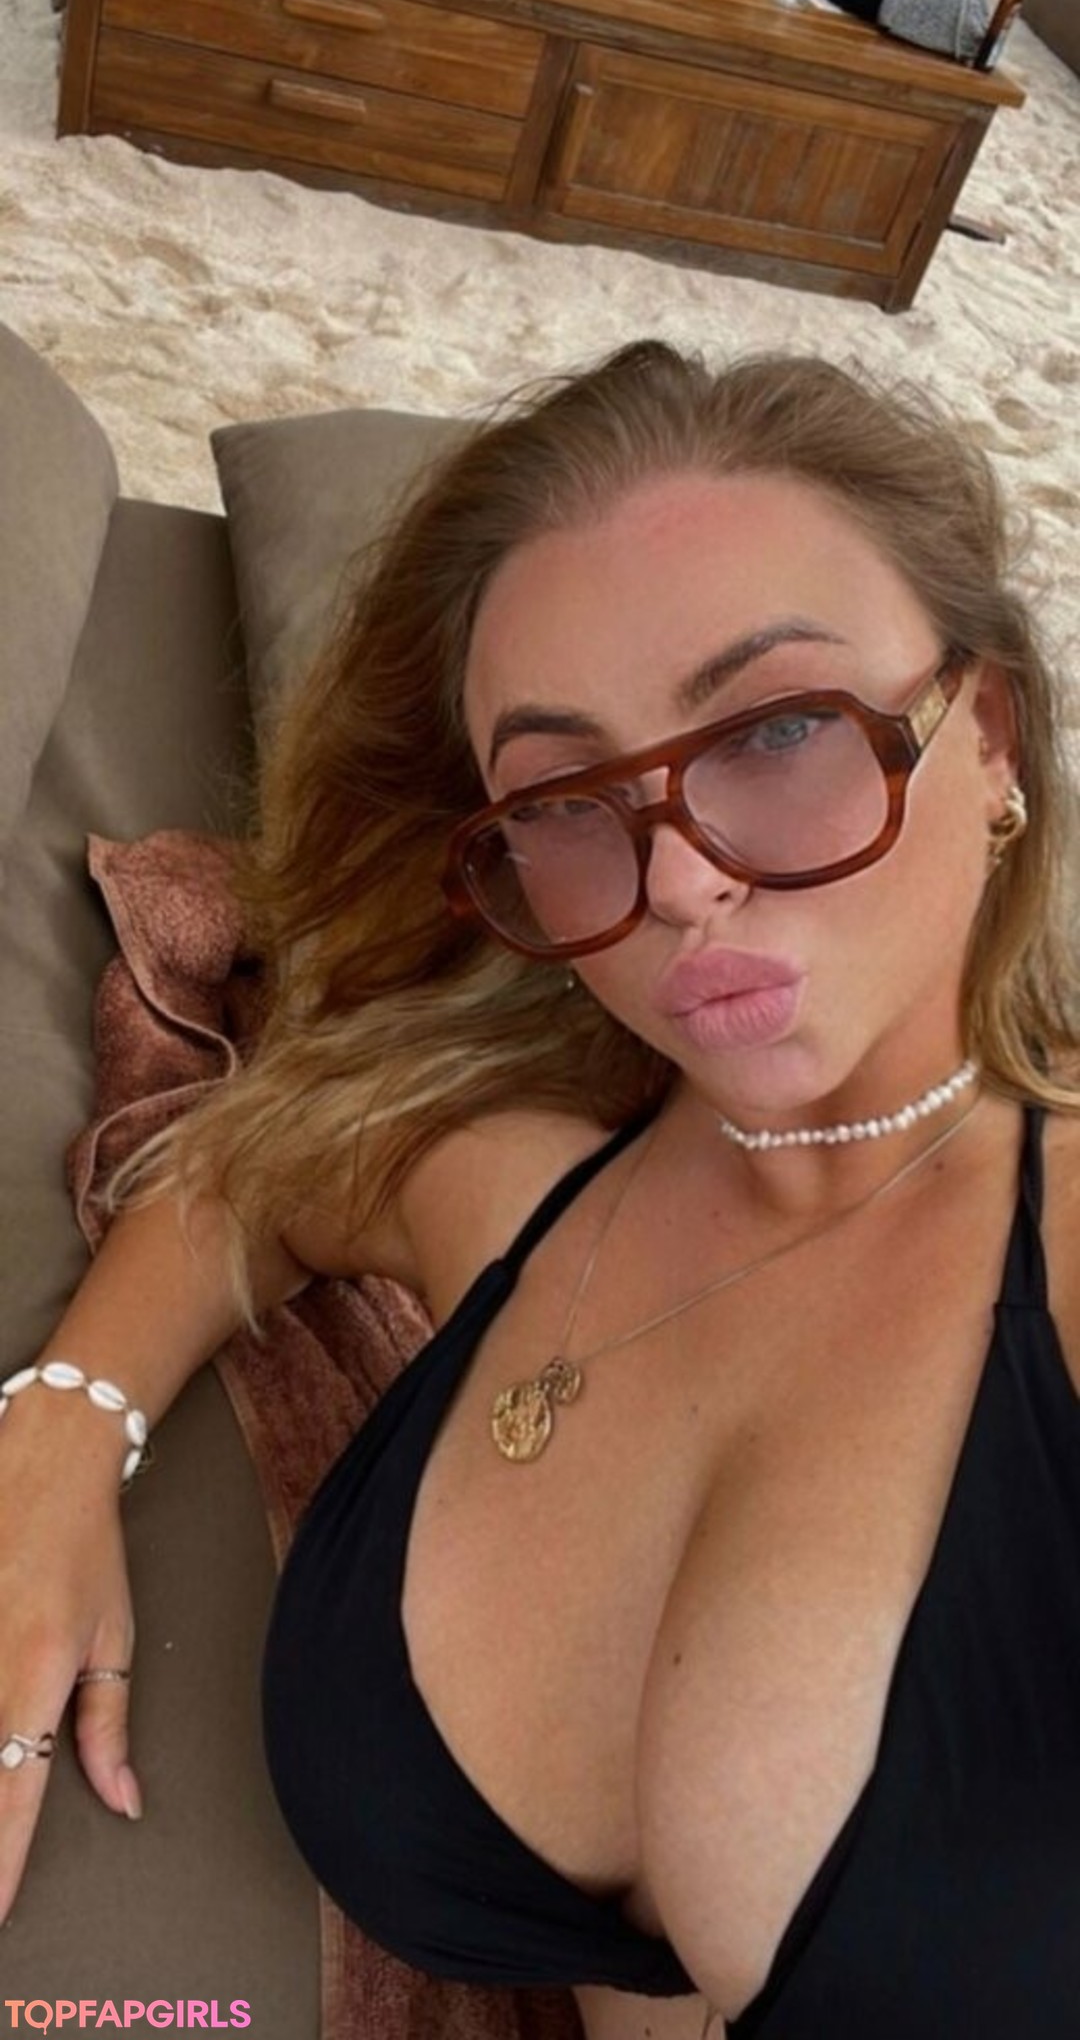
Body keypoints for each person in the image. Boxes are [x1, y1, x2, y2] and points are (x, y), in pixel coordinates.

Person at [2, 341, 1079, 2040]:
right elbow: (243, 1174)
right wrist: (61, 1431)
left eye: (780, 729)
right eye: (568, 798)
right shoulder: (524, 1181)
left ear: (994, 735)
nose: (683, 881)